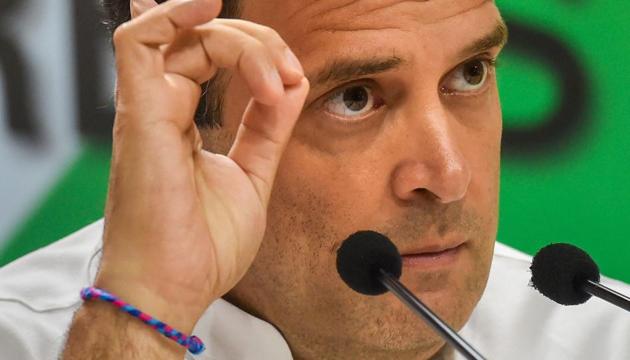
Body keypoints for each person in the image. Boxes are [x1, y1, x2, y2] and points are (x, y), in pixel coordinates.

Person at [0, 0, 628, 358]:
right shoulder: (27, 341)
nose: (448, 176)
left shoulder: (602, 337)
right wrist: (139, 315)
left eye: (470, 74)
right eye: (354, 97)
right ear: (190, 109)